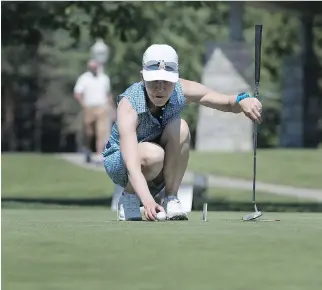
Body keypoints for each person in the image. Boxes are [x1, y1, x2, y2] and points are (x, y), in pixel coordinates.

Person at [103, 44, 263, 221]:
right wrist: (147, 201)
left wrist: (244, 99)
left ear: (175, 79)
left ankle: (171, 199)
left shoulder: (181, 90)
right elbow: (132, 164)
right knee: (153, 154)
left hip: (158, 156)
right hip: (120, 162)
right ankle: (129, 198)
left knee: (181, 127)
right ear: (142, 77)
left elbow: (225, 102)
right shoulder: (130, 103)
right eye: (154, 80)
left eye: (166, 81)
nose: (160, 87)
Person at [74, 59, 115, 163]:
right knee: (89, 132)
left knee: (102, 131)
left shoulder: (104, 78)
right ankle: (87, 148)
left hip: (102, 107)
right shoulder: (84, 78)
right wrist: (84, 105)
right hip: (89, 107)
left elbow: (108, 94)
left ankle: (99, 154)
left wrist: (112, 108)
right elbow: (77, 93)